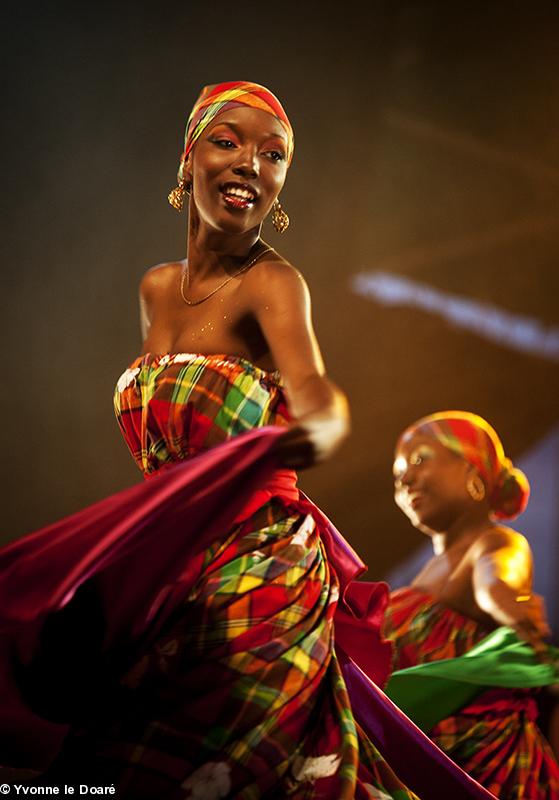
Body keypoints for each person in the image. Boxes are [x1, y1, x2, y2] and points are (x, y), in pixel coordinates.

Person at [0, 83, 495, 800]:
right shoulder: (156, 289)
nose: (251, 165)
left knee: (207, 771)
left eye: (274, 155)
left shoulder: (273, 283)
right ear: (187, 158)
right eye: (228, 142)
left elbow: (316, 391)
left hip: (257, 570)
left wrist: (318, 425)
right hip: (173, 571)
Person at [384, 410, 559, 799]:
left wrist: (507, 605)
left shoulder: (495, 542)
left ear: (472, 474)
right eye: (398, 475)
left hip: (475, 766)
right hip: (414, 752)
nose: (405, 479)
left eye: (419, 460)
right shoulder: (423, 578)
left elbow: (495, 579)